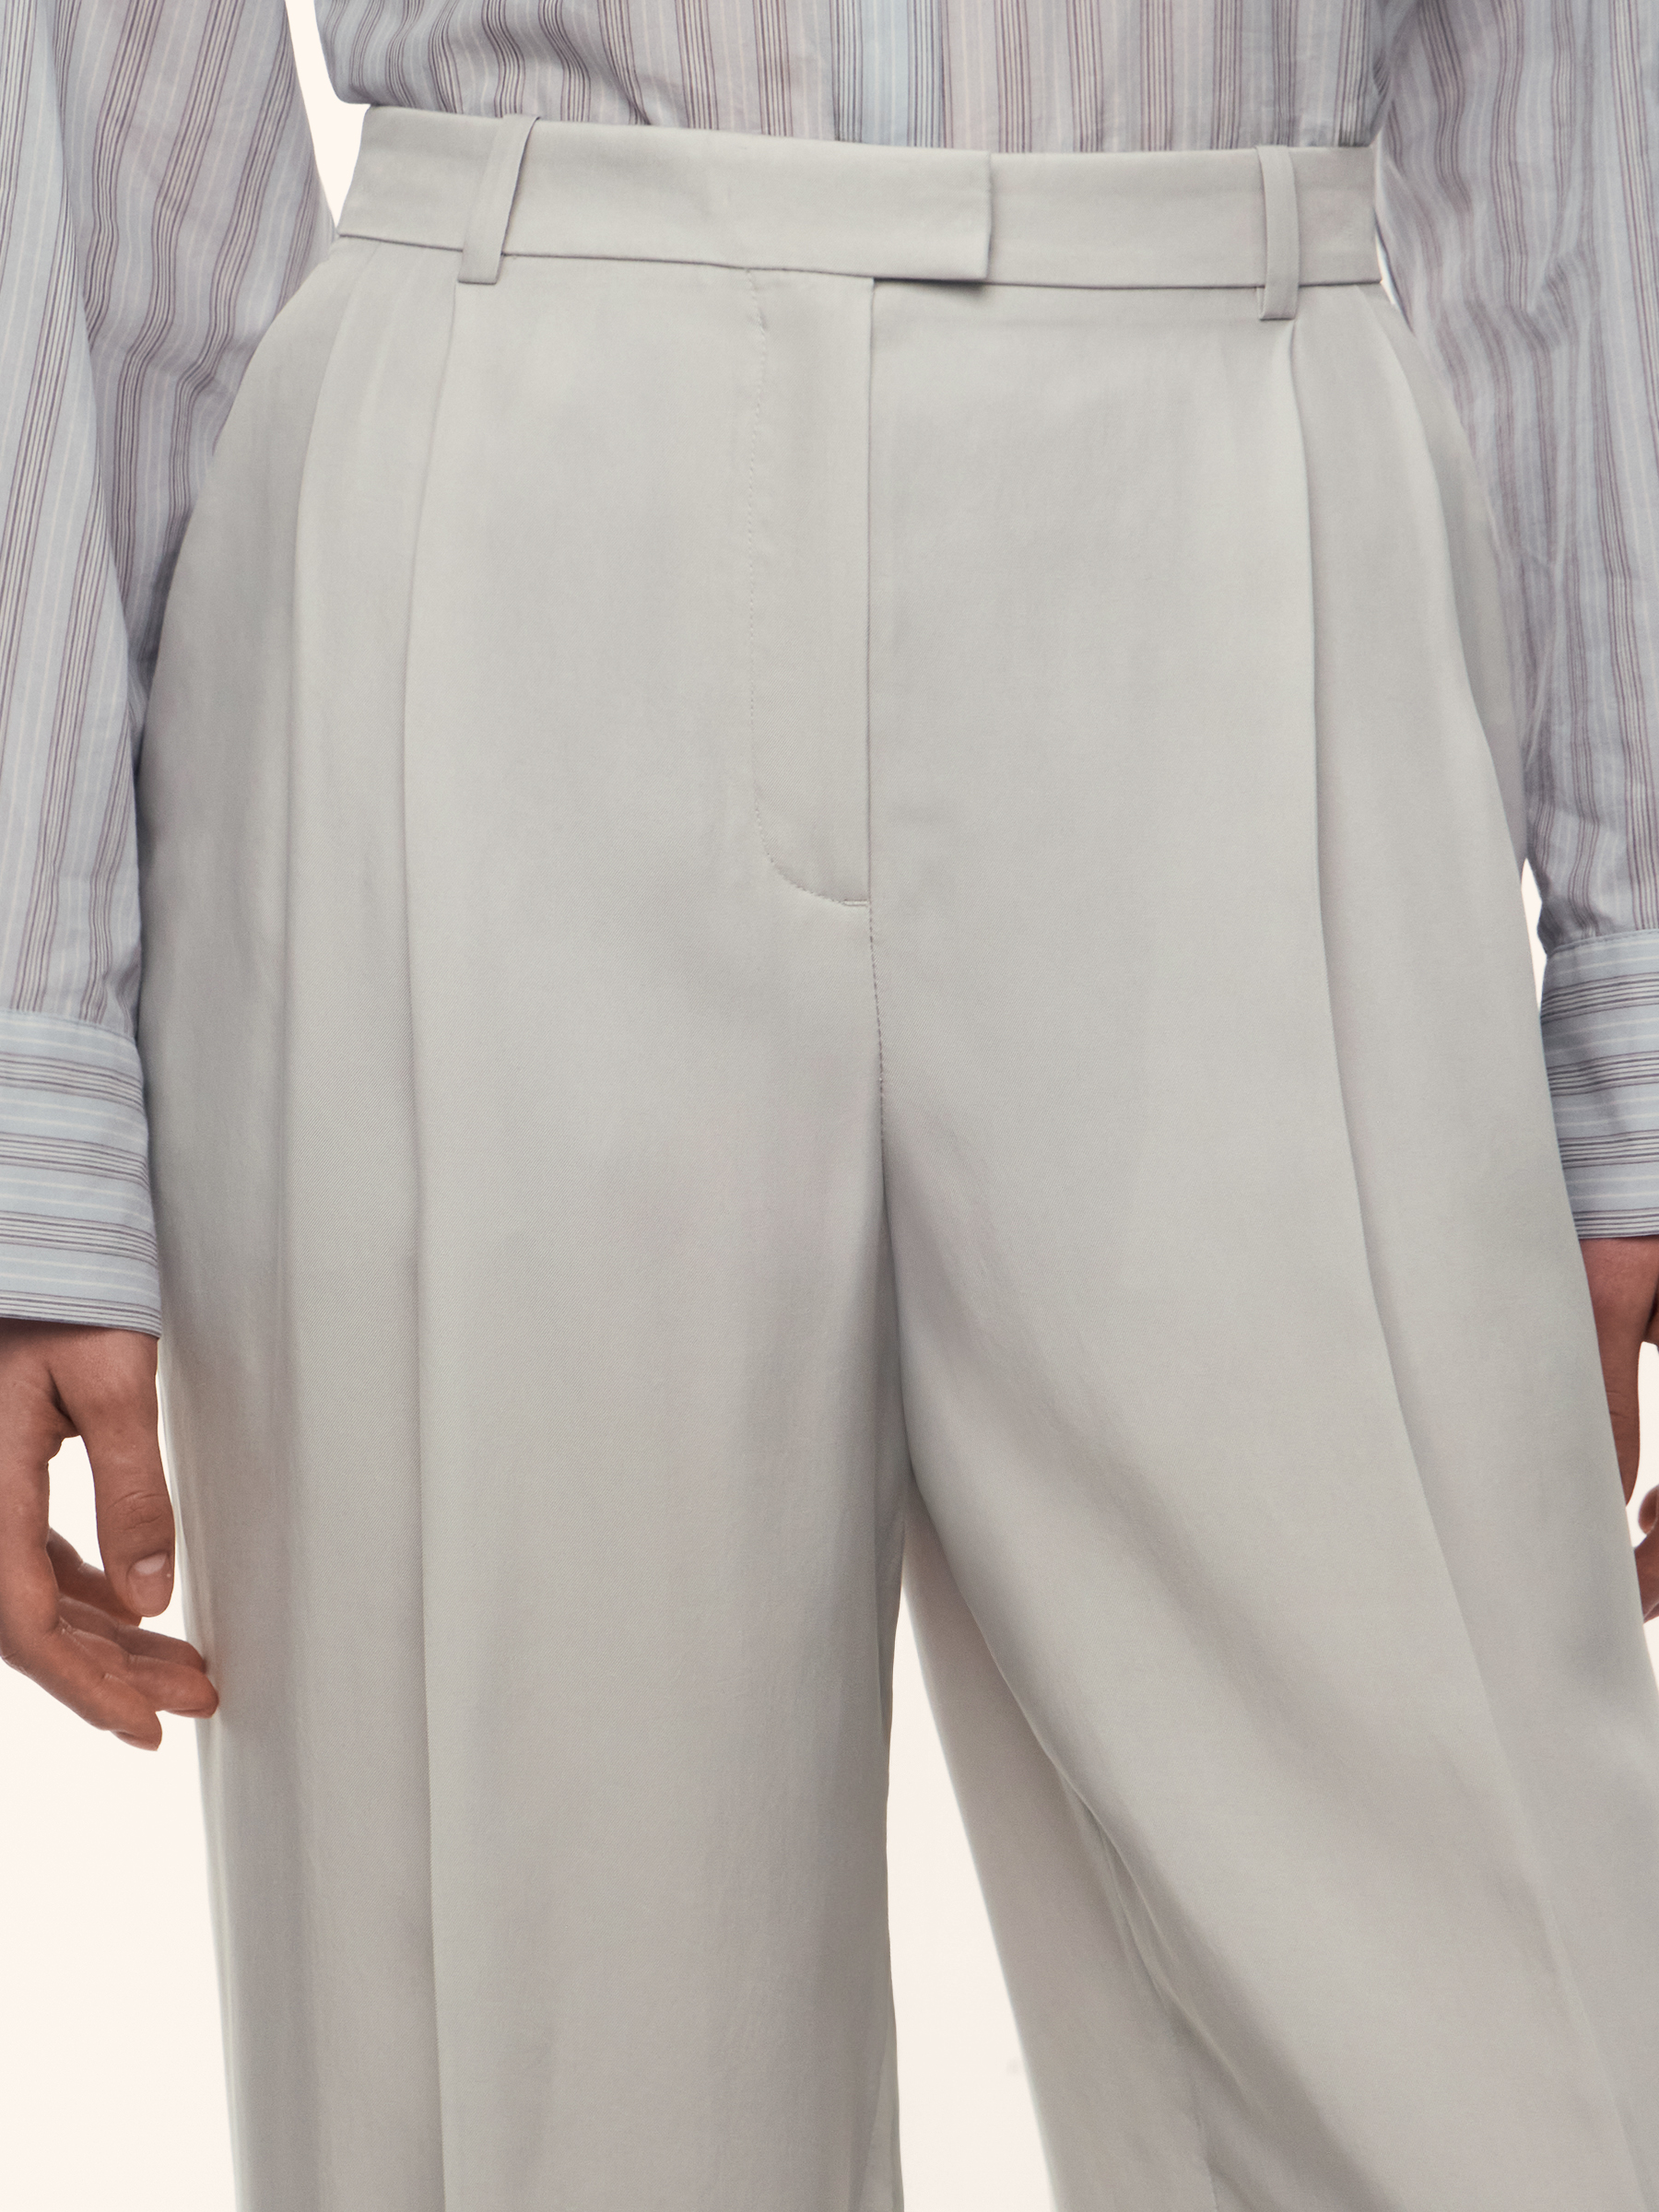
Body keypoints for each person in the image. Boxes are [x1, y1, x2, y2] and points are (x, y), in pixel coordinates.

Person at [4, 2, 1659, 2206]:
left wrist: (1636, 997)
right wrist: (34, 1071)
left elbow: (1567, 82)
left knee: (1501, 2075)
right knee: (536, 2097)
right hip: (504, 476)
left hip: (1245, 434)